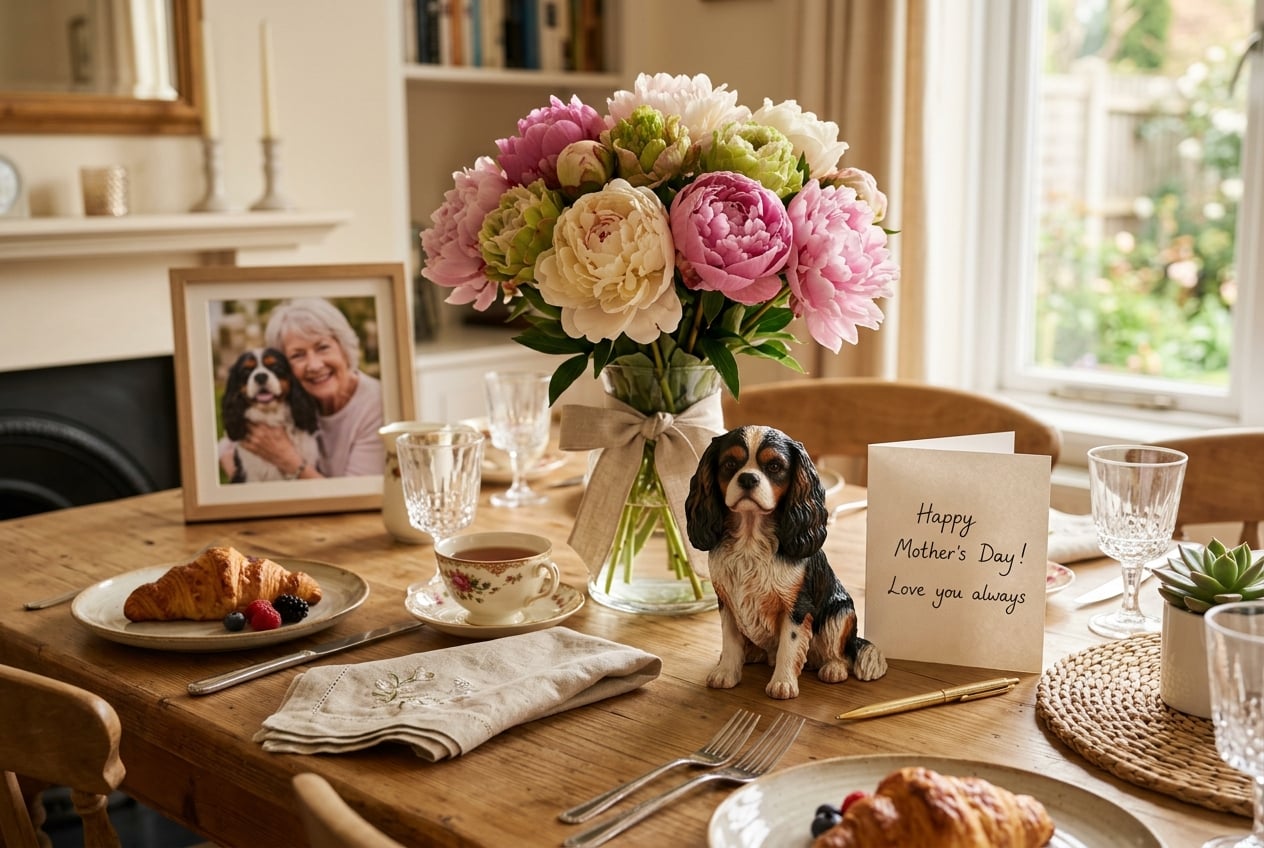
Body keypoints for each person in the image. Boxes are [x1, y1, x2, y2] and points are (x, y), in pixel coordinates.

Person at [219, 297, 384, 480]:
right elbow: (227, 445)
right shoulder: (287, 398)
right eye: (298, 355)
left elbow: (356, 498)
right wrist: (242, 478)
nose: (314, 365)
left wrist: (288, 460)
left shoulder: (377, 404)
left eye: (322, 347)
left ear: (344, 349)